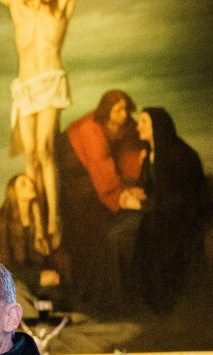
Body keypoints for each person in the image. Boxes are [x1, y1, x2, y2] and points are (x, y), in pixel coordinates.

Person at [0, 0, 100, 251]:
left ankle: (53, 219)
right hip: (26, 86)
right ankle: (38, 223)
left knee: (44, 150)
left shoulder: (63, 2)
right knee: (30, 155)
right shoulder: (19, 5)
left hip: (51, 81)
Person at [57, 89, 147, 311]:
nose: (124, 113)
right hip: (75, 173)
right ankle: (89, 292)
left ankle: (106, 291)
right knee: (90, 227)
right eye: (118, 109)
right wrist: (121, 199)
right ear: (107, 111)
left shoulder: (126, 125)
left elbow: (129, 157)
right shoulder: (90, 129)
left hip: (97, 173)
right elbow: (101, 167)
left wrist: (137, 185)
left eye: (126, 108)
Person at [132, 107, 213, 314]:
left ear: (157, 127)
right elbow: (152, 188)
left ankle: (161, 300)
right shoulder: (152, 152)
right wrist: (136, 193)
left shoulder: (180, 155)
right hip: (162, 211)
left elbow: (178, 198)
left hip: (182, 217)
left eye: (143, 121)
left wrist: (142, 205)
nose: (137, 126)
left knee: (148, 229)